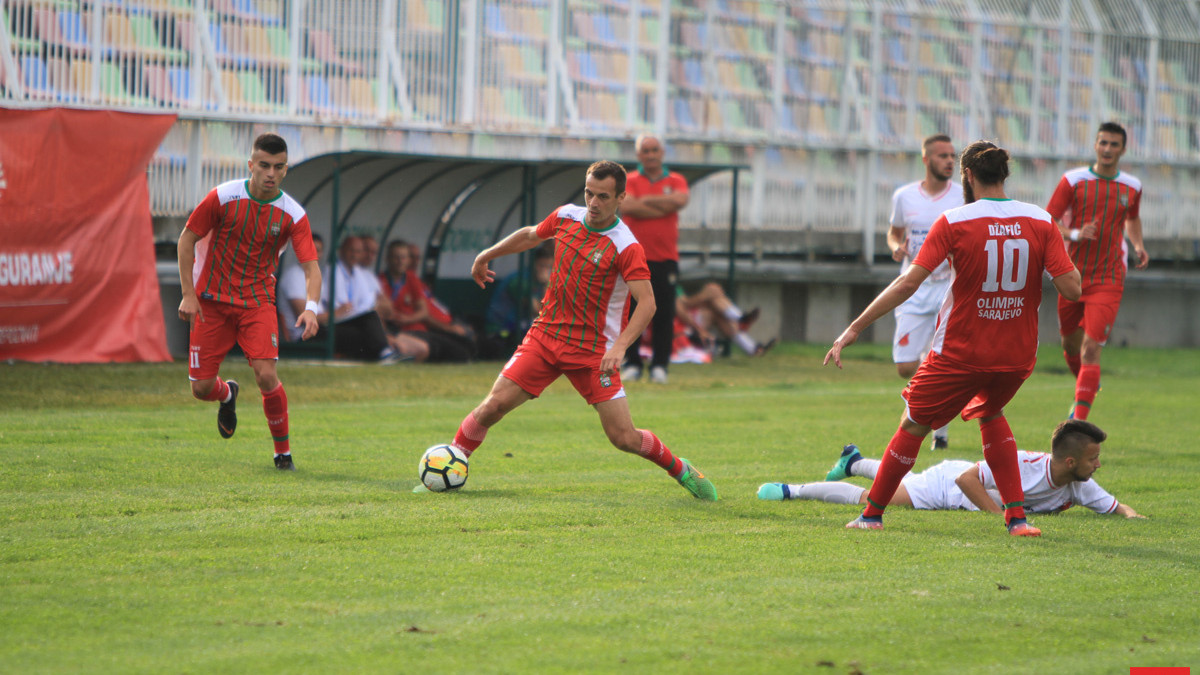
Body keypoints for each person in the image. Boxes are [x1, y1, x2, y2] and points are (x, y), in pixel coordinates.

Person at [823, 140, 1081, 536]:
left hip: (960, 352)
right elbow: (1071, 289)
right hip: (1015, 355)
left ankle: (871, 515)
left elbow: (909, 282)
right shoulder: (1041, 220)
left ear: (968, 175)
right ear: (1005, 175)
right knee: (992, 415)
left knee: (913, 425)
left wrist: (855, 327)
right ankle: (1017, 520)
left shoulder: (955, 221)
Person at [440, 160, 717, 500]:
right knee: (492, 406)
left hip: (593, 353)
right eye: (589, 193)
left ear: (621, 199)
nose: (594, 203)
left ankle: (682, 470)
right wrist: (487, 254)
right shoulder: (567, 217)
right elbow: (530, 234)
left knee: (624, 438)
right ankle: (450, 464)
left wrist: (619, 348)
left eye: (603, 196)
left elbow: (647, 304)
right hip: (545, 338)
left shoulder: (626, 246)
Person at [177, 132, 320, 471]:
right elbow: (186, 241)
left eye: (279, 167)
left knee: (266, 374)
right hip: (211, 301)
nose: (271, 173)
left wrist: (312, 309)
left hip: (256, 302)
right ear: (251, 165)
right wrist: (188, 295)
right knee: (200, 388)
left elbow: (311, 268)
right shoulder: (223, 197)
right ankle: (227, 395)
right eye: (264, 165)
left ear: (286, 170)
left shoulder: (293, 215)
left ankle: (282, 453)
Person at [757, 420, 1144, 519]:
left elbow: (1117, 508)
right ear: (1071, 462)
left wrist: (1134, 517)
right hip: (952, 483)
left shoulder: (1078, 486)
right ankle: (792, 489)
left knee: (902, 480)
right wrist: (1005, 518)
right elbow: (966, 478)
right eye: (1094, 459)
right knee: (881, 498)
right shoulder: (1023, 465)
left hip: (956, 485)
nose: (1099, 464)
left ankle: (854, 461)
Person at [1045, 121, 1148, 421]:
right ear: (1095, 145)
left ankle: (1078, 421)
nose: (1107, 149)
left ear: (1123, 150)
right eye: (1103, 143)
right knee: (1070, 345)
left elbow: (1132, 218)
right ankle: (1087, 384)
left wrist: (1138, 244)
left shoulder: (1132, 186)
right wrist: (1075, 234)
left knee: (1091, 351)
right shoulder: (1073, 180)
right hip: (1073, 275)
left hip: (1109, 277)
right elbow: (1048, 220)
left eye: (1114, 145)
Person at [887, 134, 965, 450]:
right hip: (914, 286)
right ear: (926, 159)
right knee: (907, 366)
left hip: (950, 287)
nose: (949, 161)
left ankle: (939, 432)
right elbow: (894, 232)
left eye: (952, 156)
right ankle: (935, 400)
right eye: (943, 156)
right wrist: (896, 247)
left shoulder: (963, 196)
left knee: (942, 358)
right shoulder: (904, 196)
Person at [619, 135, 690, 384]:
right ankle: (632, 363)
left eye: (654, 150)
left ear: (662, 152)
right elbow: (627, 206)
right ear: (638, 155)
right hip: (633, 257)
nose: (650, 155)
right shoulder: (628, 179)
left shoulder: (676, 180)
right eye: (645, 151)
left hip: (665, 257)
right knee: (630, 312)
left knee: (663, 312)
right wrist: (662, 206)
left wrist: (645, 202)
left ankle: (660, 365)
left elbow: (680, 201)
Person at [379, 240, 475, 362]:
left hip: (419, 328)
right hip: (402, 331)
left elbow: (423, 311)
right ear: (387, 259)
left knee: (466, 345)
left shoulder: (411, 278)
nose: (399, 261)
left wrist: (408, 318)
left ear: (407, 260)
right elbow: (384, 312)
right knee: (457, 353)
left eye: (403, 257)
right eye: (395, 257)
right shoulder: (380, 281)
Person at [327, 236, 401, 362]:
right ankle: (385, 352)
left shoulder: (358, 273)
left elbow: (381, 306)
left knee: (370, 318)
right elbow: (341, 307)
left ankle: (385, 352)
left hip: (354, 319)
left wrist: (369, 307)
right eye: (352, 251)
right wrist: (369, 307)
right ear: (342, 251)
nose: (355, 255)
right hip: (335, 321)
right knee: (370, 317)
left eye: (358, 251)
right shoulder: (332, 271)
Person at [482, 242, 554, 359]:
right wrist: (547, 283)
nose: (544, 270)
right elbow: (540, 311)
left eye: (548, 267)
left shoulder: (539, 281)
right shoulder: (519, 280)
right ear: (533, 263)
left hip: (520, 327)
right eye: (541, 266)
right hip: (501, 329)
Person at [675, 282, 772, 357]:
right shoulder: (666, 284)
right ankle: (741, 319)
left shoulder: (673, 282)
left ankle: (752, 347)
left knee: (715, 300)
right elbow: (680, 307)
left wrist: (705, 297)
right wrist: (699, 330)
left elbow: (684, 302)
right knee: (712, 291)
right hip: (683, 325)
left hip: (691, 316)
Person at [278, 233, 329, 342]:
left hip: (320, 327)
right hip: (302, 334)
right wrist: (336, 314)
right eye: (311, 249)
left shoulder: (317, 274)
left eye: (318, 250)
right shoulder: (293, 275)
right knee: (343, 333)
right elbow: (304, 316)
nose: (315, 254)